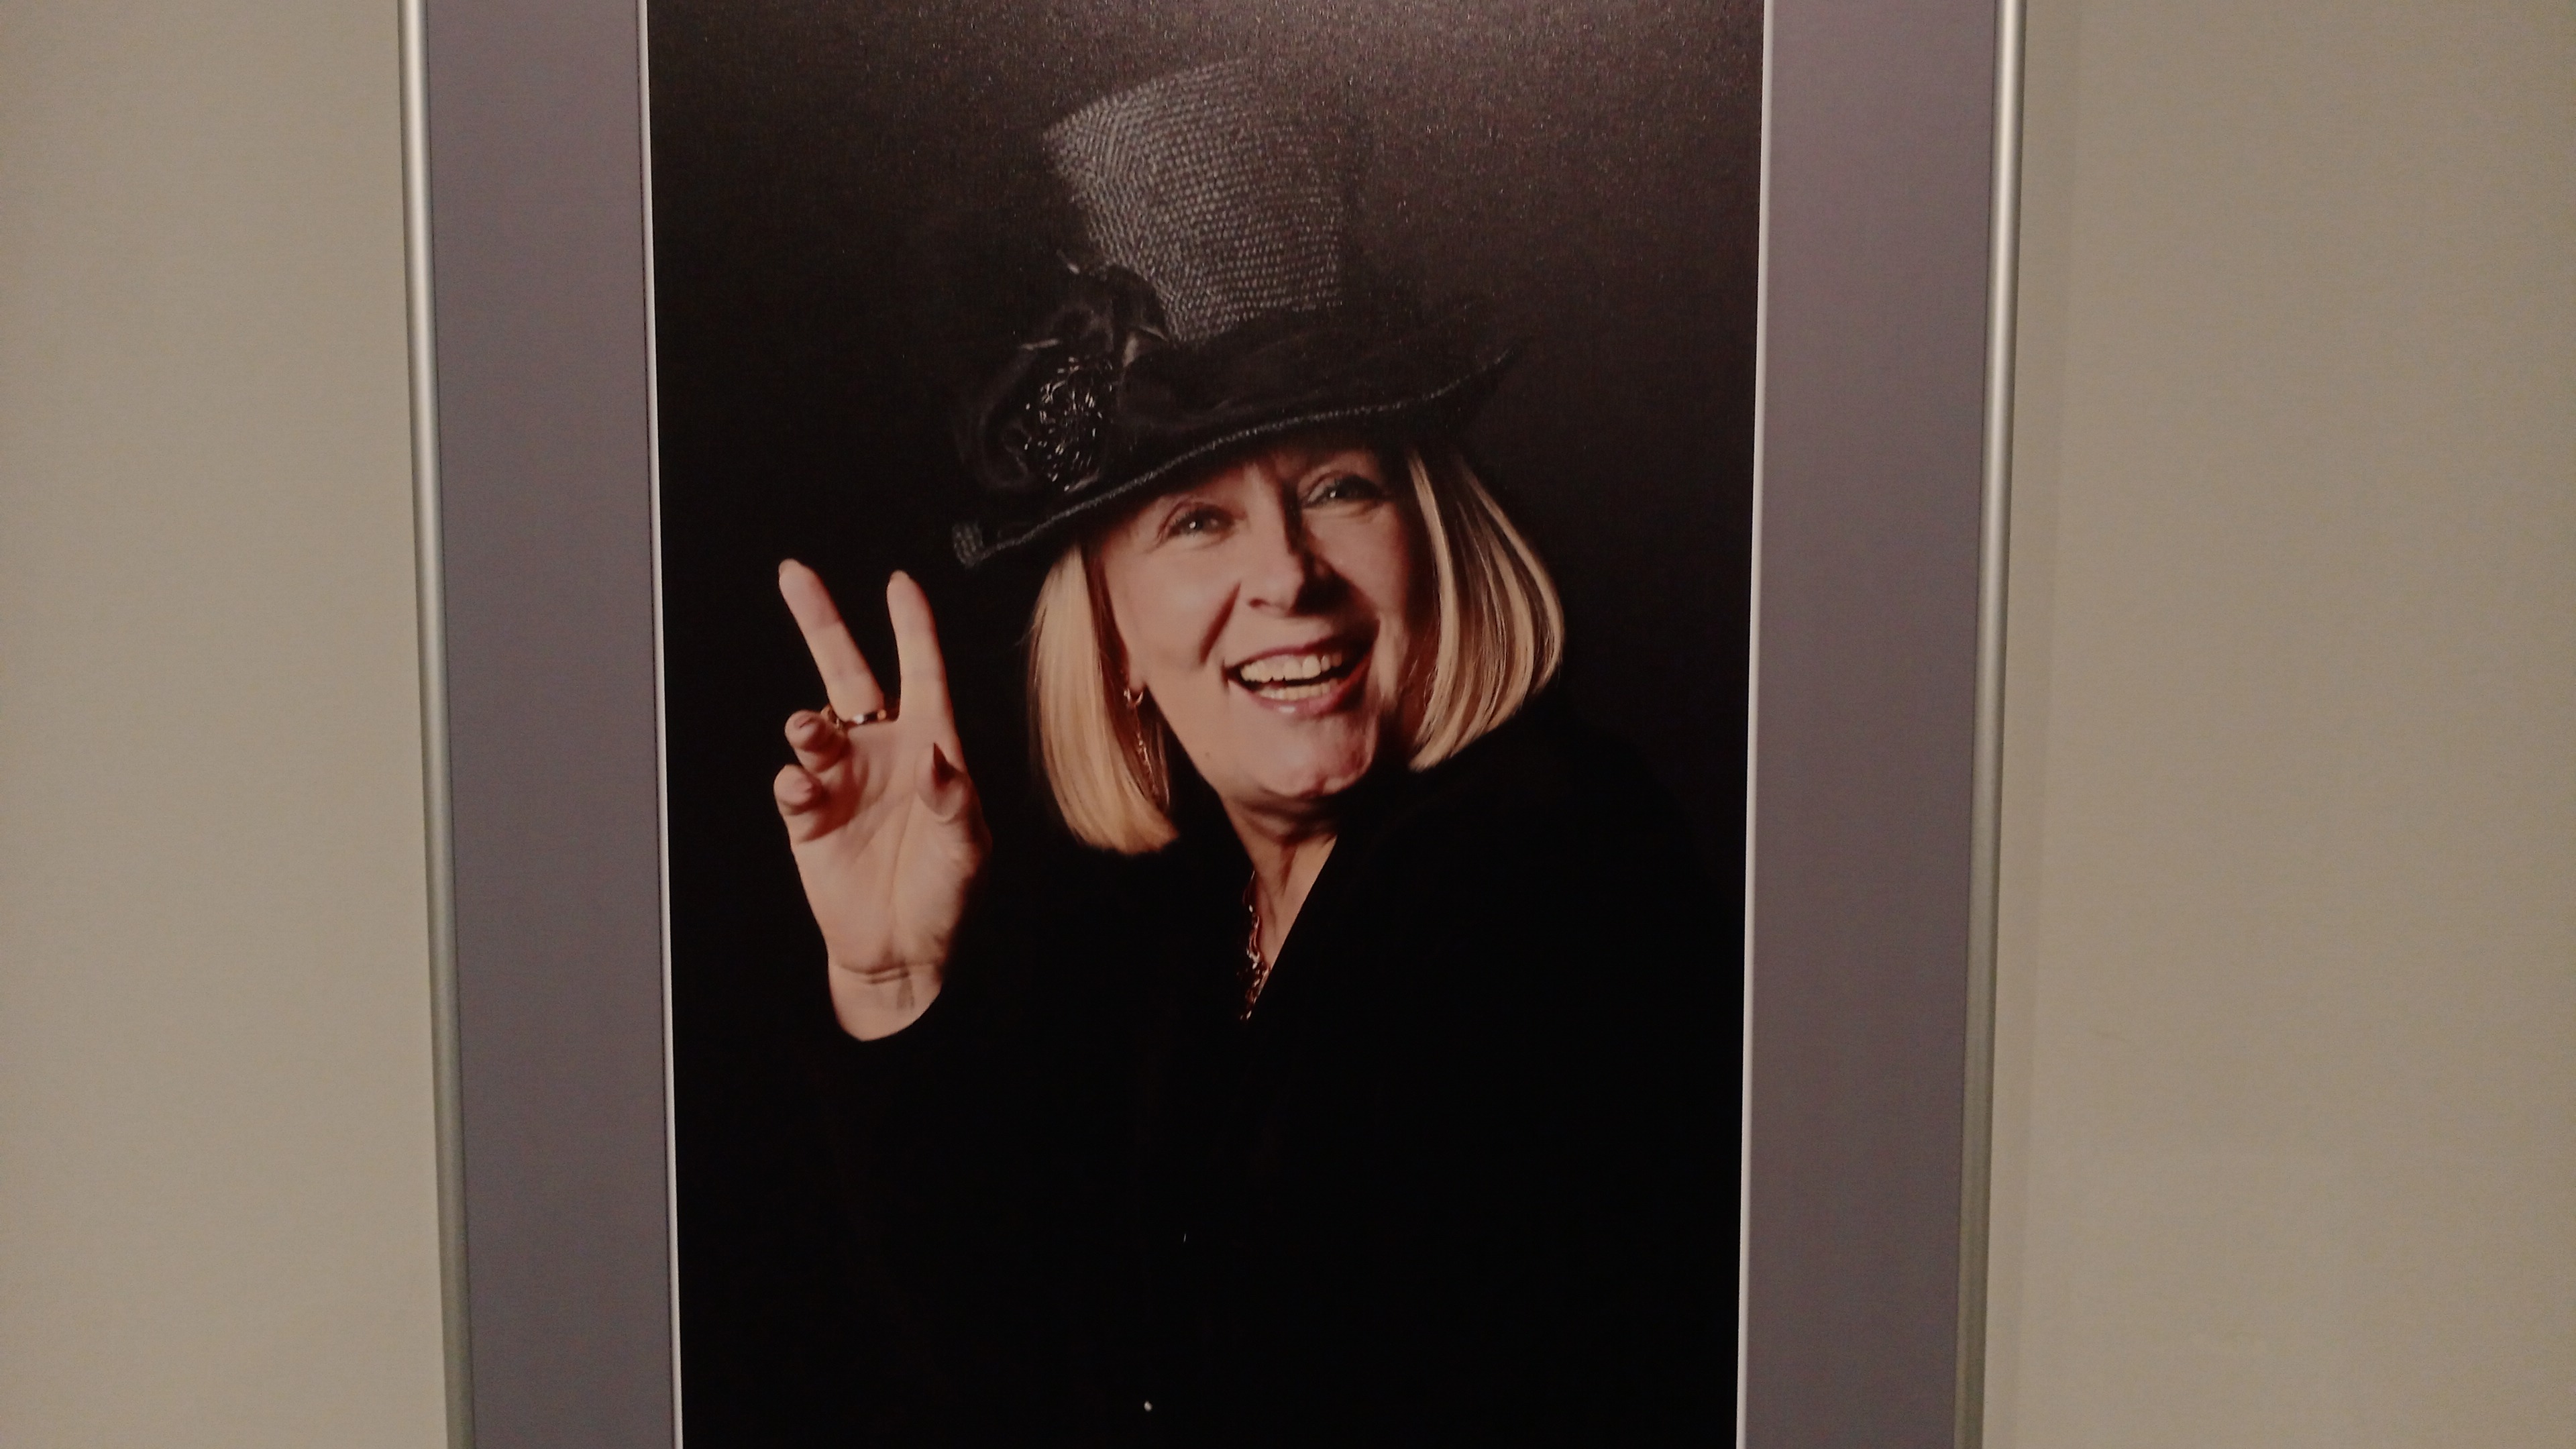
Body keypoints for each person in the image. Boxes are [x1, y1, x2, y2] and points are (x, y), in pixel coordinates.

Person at [768, 62, 1727, 1445]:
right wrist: (892, 981)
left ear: (1434, 539)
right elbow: (1024, 1375)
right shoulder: (1187, 924)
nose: (1287, 573)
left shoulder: (1551, 880)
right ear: (1110, 630)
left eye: (1338, 486)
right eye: (1196, 520)